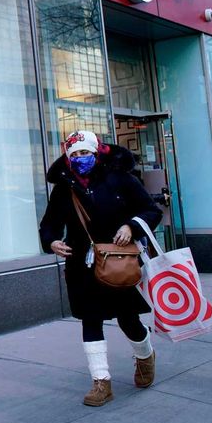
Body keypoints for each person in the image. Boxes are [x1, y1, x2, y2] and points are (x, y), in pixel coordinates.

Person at [39, 130, 162, 407]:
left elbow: (151, 210)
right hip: (82, 264)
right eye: (75, 154)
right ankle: (101, 382)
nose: (80, 158)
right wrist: (52, 242)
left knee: (128, 319)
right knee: (90, 320)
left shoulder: (121, 178)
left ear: (96, 152)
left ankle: (145, 356)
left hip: (121, 262)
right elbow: (49, 224)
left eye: (85, 153)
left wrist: (131, 226)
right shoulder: (64, 187)